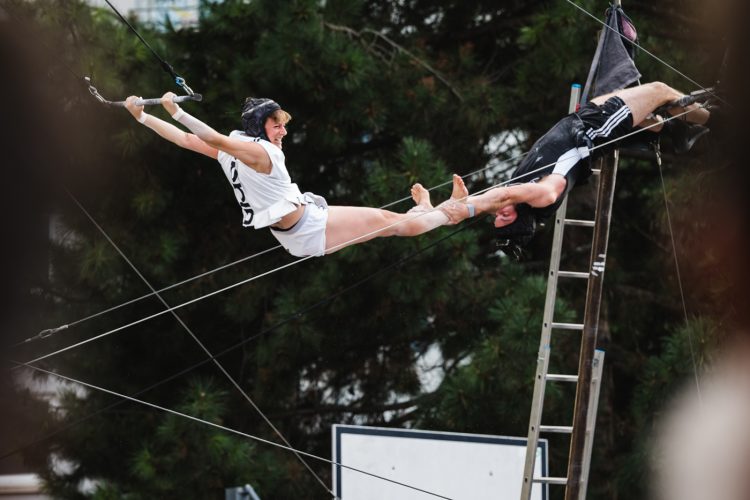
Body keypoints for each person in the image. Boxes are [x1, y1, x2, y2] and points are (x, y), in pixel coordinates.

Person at [124, 93, 465, 257]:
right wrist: (175, 111)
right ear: (260, 127)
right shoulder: (260, 152)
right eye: (277, 126)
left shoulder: (232, 153)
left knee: (388, 226)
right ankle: (451, 212)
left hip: (295, 231)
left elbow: (189, 140)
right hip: (308, 227)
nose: (283, 133)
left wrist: (143, 118)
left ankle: (426, 211)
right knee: (390, 223)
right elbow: (198, 135)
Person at [439, 81, 714, 253]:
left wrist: (433, 210)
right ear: (514, 217)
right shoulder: (544, 196)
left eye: (496, 216)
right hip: (596, 130)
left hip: (582, 120)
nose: (497, 212)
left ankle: (677, 132)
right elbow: (502, 197)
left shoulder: (518, 200)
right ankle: (715, 121)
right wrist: (467, 208)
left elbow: (492, 202)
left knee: (641, 107)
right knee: (659, 91)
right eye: (501, 217)